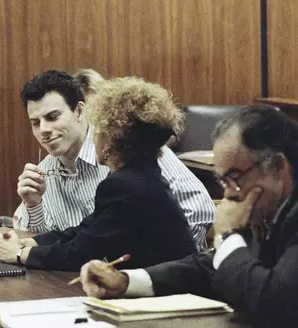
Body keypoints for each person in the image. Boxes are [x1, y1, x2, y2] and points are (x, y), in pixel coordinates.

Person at [79, 105, 298, 327]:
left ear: (277, 167)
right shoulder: (266, 208)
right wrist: (125, 282)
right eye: (223, 181)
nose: (228, 193)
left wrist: (227, 236)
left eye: (234, 177)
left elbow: (276, 303)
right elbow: (210, 268)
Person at [0, 77, 196, 271]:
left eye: (97, 131)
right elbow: (86, 229)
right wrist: (32, 242)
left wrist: (20, 253)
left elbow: (82, 251)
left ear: (110, 140)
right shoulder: (142, 174)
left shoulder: (123, 184)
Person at [13, 70, 215, 250]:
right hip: (73, 279)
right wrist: (33, 205)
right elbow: (41, 242)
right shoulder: (42, 172)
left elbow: (200, 209)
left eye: (53, 117)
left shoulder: (130, 147)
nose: (44, 130)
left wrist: (161, 265)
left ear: (80, 111)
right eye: (35, 123)